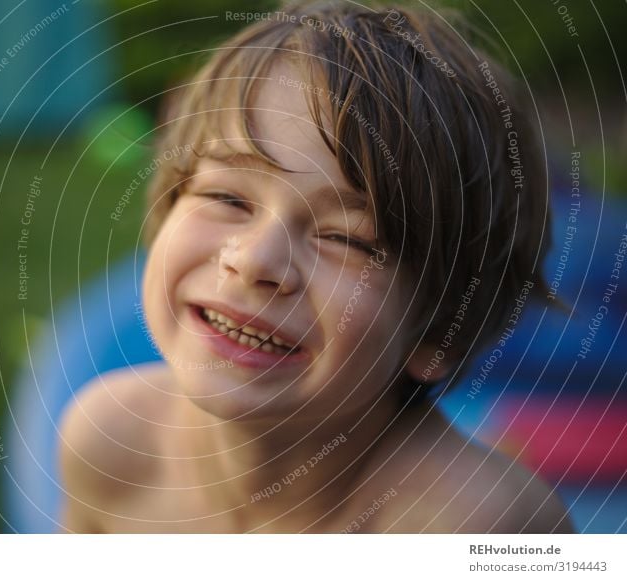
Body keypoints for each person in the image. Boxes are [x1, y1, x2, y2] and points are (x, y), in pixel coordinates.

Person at [58, 1, 573, 533]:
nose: (256, 260)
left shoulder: (463, 527)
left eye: (346, 239)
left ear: (441, 330)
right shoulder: (111, 443)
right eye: (227, 197)